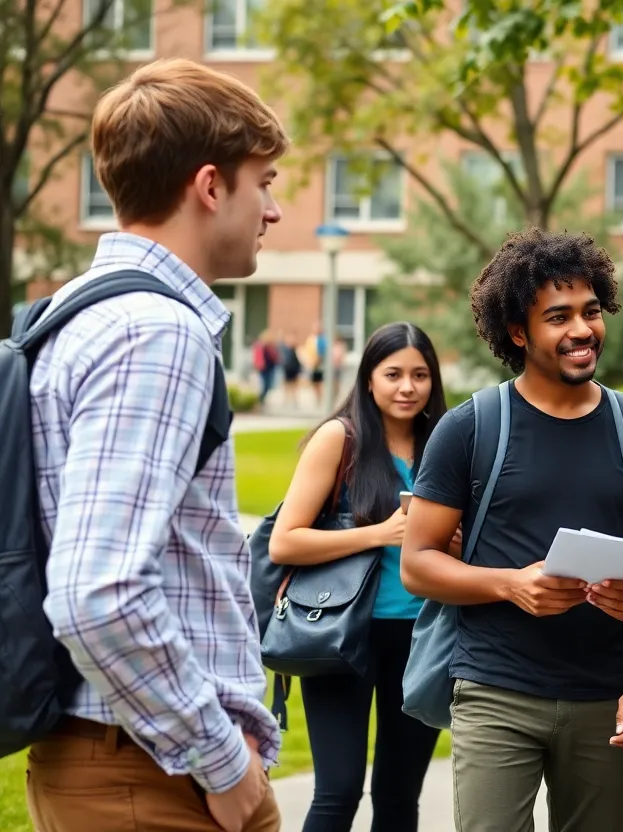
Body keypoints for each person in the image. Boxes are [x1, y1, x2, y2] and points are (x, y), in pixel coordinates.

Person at [25, 59, 288, 831]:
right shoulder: (156, 331)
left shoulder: (71, 312)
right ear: (210, 187)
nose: (273, 210)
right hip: (154, 772)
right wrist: (221, 760)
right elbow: (95, 592)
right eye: (264, 182)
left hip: (121, 755)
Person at [399, 228, 623, 832]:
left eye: (591, 311)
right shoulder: (469, 428)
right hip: (496, 690)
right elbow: (416, 564)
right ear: (518, 332)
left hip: (607, 695)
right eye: (559, 316)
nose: (582, 329)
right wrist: (509, 585)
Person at [269, 322, 453, 832]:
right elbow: (285, 541)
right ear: (368, 379)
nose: (407, 387)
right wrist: (378, 534)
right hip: (341, 632)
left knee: (399, 797)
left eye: (420, 375)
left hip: (423, 634)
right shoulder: (340, 438)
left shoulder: (447, 442)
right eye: (392, 373)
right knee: (339, 790)